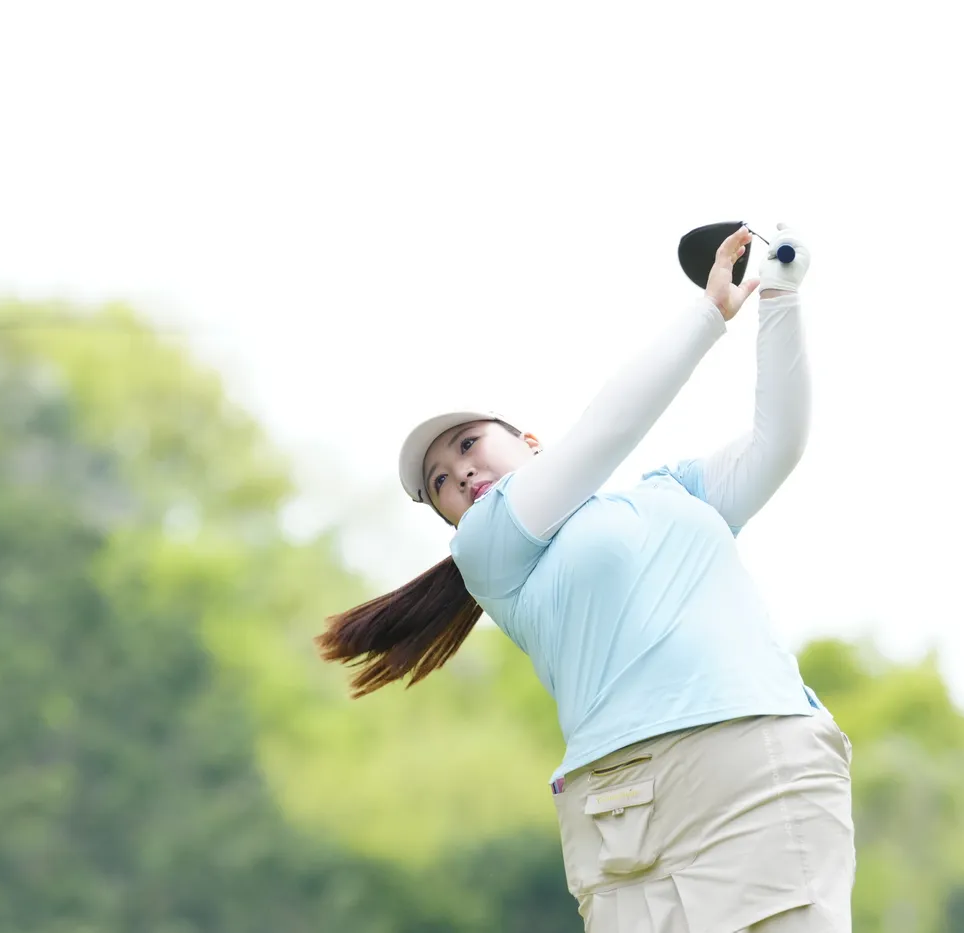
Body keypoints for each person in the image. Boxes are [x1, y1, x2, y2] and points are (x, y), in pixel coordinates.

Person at [317, 224, 855, 932]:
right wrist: (707, 315)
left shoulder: (674, 492)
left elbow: (776, 442)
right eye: (440, 482)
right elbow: (609, 428)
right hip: (621, 805)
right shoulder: (489, 549)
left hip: (745, 762)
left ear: (530, 442)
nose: (462, 473)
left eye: (469, 444)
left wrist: (780, 296)